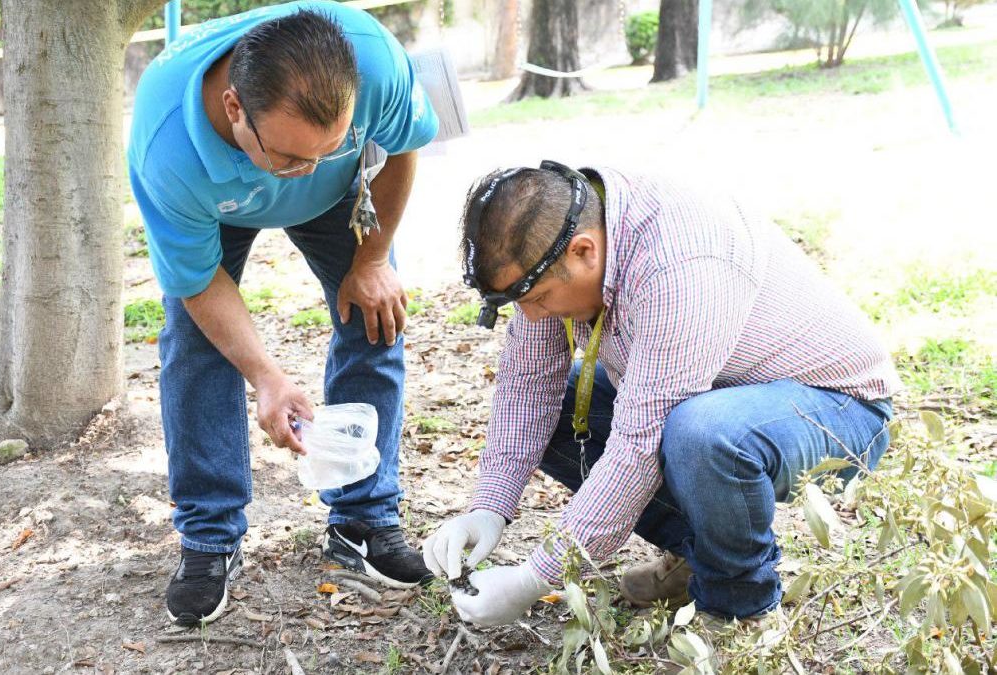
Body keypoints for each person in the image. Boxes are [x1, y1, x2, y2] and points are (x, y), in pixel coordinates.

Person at [422, 161, 900, 631]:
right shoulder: (562, 238)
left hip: (836, 408)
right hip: (713, 391)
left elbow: (638, 446)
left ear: (584, 252)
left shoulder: (681, 262)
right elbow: (527, 387)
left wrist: (534, 579)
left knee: (701, 433)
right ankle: (701, 558)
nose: (535, 316)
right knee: (564, 407)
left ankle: (739, 607)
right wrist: (488, 508)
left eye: (538, 298)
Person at [128, 2, 439, 625]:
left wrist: (373, 257)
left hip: (342, 201)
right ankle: (209, 539)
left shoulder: (372, 61)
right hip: (219, 203)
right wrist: (267, 378)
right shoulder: (168, 147)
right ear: (235, 108)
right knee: (196, 346)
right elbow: (196, 282)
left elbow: (401, 149)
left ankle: (363, 517)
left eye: (330, 147)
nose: (306, 173)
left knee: (376, 317)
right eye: (293, 156)